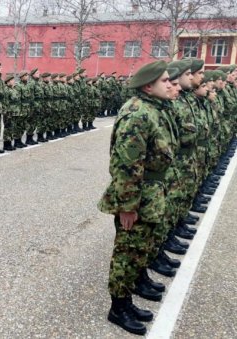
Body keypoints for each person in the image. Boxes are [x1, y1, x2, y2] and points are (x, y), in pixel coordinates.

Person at [98, 60, 174, 335]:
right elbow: (127, 167)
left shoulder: (150, 109)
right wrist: (127, 207)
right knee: (126, 254)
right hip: (137, 197)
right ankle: (118, 307)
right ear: (148, 86)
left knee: (139, 250)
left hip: (149, 194)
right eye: (165, 80)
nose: (170, 84)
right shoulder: (137, 113)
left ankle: (127, 298)